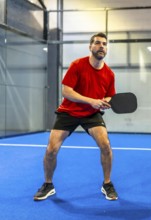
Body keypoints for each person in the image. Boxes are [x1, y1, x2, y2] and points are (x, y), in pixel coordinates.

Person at [33, 32, 118, 201]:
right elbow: (66, 91)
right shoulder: (77, 65)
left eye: (104, 44)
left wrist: (104, 102)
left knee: (106, 145)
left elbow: (109, 95)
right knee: (51, 150)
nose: (102, 46)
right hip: (68, 112)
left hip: (91, 114)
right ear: (90, 47)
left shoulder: (109, 74)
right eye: (98, 43)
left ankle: (107, 184)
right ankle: (48, 184)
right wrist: (92, 101)